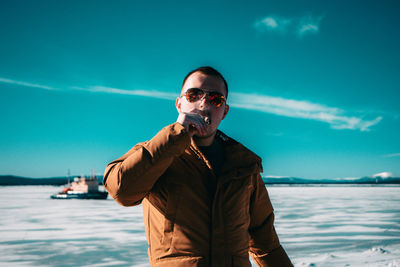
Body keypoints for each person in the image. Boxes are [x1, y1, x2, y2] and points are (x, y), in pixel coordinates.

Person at [103, 66, 293, 266]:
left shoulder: (244, 167)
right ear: (179, 104)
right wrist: (176, 134)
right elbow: (122, 190)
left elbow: (266, 244)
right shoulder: (156, 153)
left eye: (215, 99)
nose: (203, 103)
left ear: (224, 111)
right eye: (194, 94)